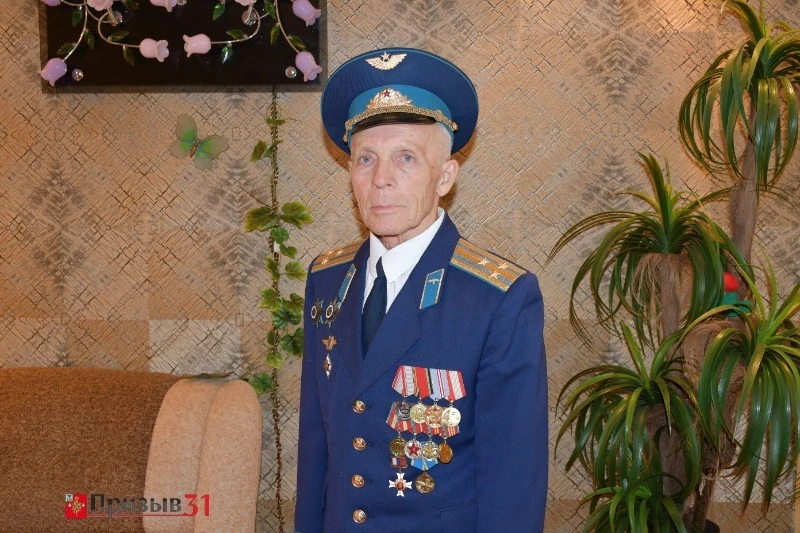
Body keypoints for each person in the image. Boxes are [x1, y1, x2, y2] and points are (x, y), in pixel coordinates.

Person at [295, 47, 548, 532]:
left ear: (445, 177)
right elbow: (316, 446)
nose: (381, 179)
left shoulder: (499, 298)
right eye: (365, 159)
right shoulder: (327, 280)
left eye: (405, 158)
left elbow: (513, 482)